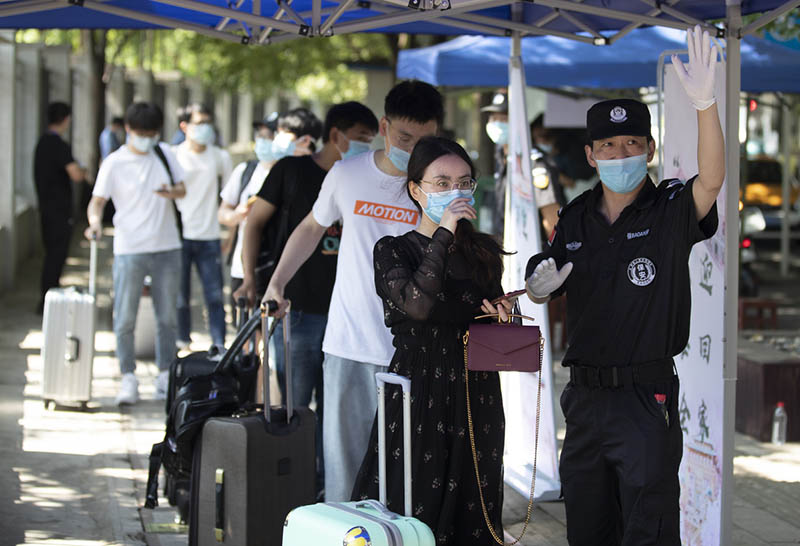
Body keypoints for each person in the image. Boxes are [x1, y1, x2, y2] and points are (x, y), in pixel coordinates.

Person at [524, 26, 724, 545]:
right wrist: (538, 285)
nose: (620, 154)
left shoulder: (671, 210)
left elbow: (713, 179)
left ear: (650, 149)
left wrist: (705, 105)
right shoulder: (575, 216)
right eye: (608, 146)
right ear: (590, 155)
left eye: (632, 143)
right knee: (589, 528)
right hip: (585, 398)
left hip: (644, 395)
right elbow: (550, 277)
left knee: (648, 525)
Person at [262, 80, 443, 502]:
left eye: (426, 140)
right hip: (349, 345)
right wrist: (276, 281)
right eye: (405, 138)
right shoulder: (347, 175)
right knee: (344, 467)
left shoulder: (440, 182)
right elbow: (311, 227)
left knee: (409, 474)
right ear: (384, 127)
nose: (415, 149)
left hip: (416, 350)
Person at [352, 136, 513, 544]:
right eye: (442, 183)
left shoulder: (482, 252)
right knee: (414, 495)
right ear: (416, 189)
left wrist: (501, 316)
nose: (454, 192)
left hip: (476, 388)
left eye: (463, 183)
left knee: (475, 499)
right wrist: (443, 231)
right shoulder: (392, 249)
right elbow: (417, 305)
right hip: (418, 387)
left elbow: (486, 324)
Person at [236, 102, 378, 496]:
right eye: (361, 139)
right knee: (297, 408)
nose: (367, 147)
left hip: (347, 316)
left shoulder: (365, 179)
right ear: (336, 135)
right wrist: (253, 279)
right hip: (296, 312)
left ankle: (327, 487)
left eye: (371, 139)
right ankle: (294, 485)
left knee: (337, 413)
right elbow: (255, 222)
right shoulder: (291, 170)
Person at [86, 102, 186, 405]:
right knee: (125, 316)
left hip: (167, 247)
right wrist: (93, 224)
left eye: (151, 133)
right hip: (129, 248)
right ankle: (127, 376)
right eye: (140, 132)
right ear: (128, 129)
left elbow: (182, 189)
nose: (146, 138)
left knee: (167, 316)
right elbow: (97, 202)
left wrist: (170, 193)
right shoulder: (114, 163)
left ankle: (165, 374)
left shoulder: (165, 153)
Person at [172, 103, 233, 352]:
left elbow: (230, 198)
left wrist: (229, 234)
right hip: (178, 236)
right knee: (180, 296)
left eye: (208, 122)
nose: (205, 128)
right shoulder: (173, 155)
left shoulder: (220, 157)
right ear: (184, 126)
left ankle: (218, 345)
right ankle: (182, 341)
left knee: (215, 296)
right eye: (199, 123)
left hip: (209, 236)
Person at [218, 113, 280, 309]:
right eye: (260, 136)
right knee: (245, 331)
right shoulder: (246, 171)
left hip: (276, 268)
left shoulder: (289, 173)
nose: (263, 142)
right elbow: (223, 214)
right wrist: (238, 214)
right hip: (242, 266)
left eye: (269, 137)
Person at [482, 90, 560, 239]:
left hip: (530, 251)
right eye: (493, 118)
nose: (497, 124)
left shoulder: (534, 164)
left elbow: (551, 218)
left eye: (504, 119)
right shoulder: (501, 156)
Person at [33, 102, 87, 312]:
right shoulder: (59, 146)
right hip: (58, 211)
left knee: (51, 254)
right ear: (65, 119)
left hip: (46, 208)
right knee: (56, 255)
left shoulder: (41, 143)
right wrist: (85, 171)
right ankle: (48, 300)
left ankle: (48, 297)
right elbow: (76, 174)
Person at [530, 114, 598, 204]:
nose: (541, 139)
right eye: (536, 139)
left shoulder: (571, 138)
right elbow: (570, 183)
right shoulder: (547, 160)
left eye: (541, 135)